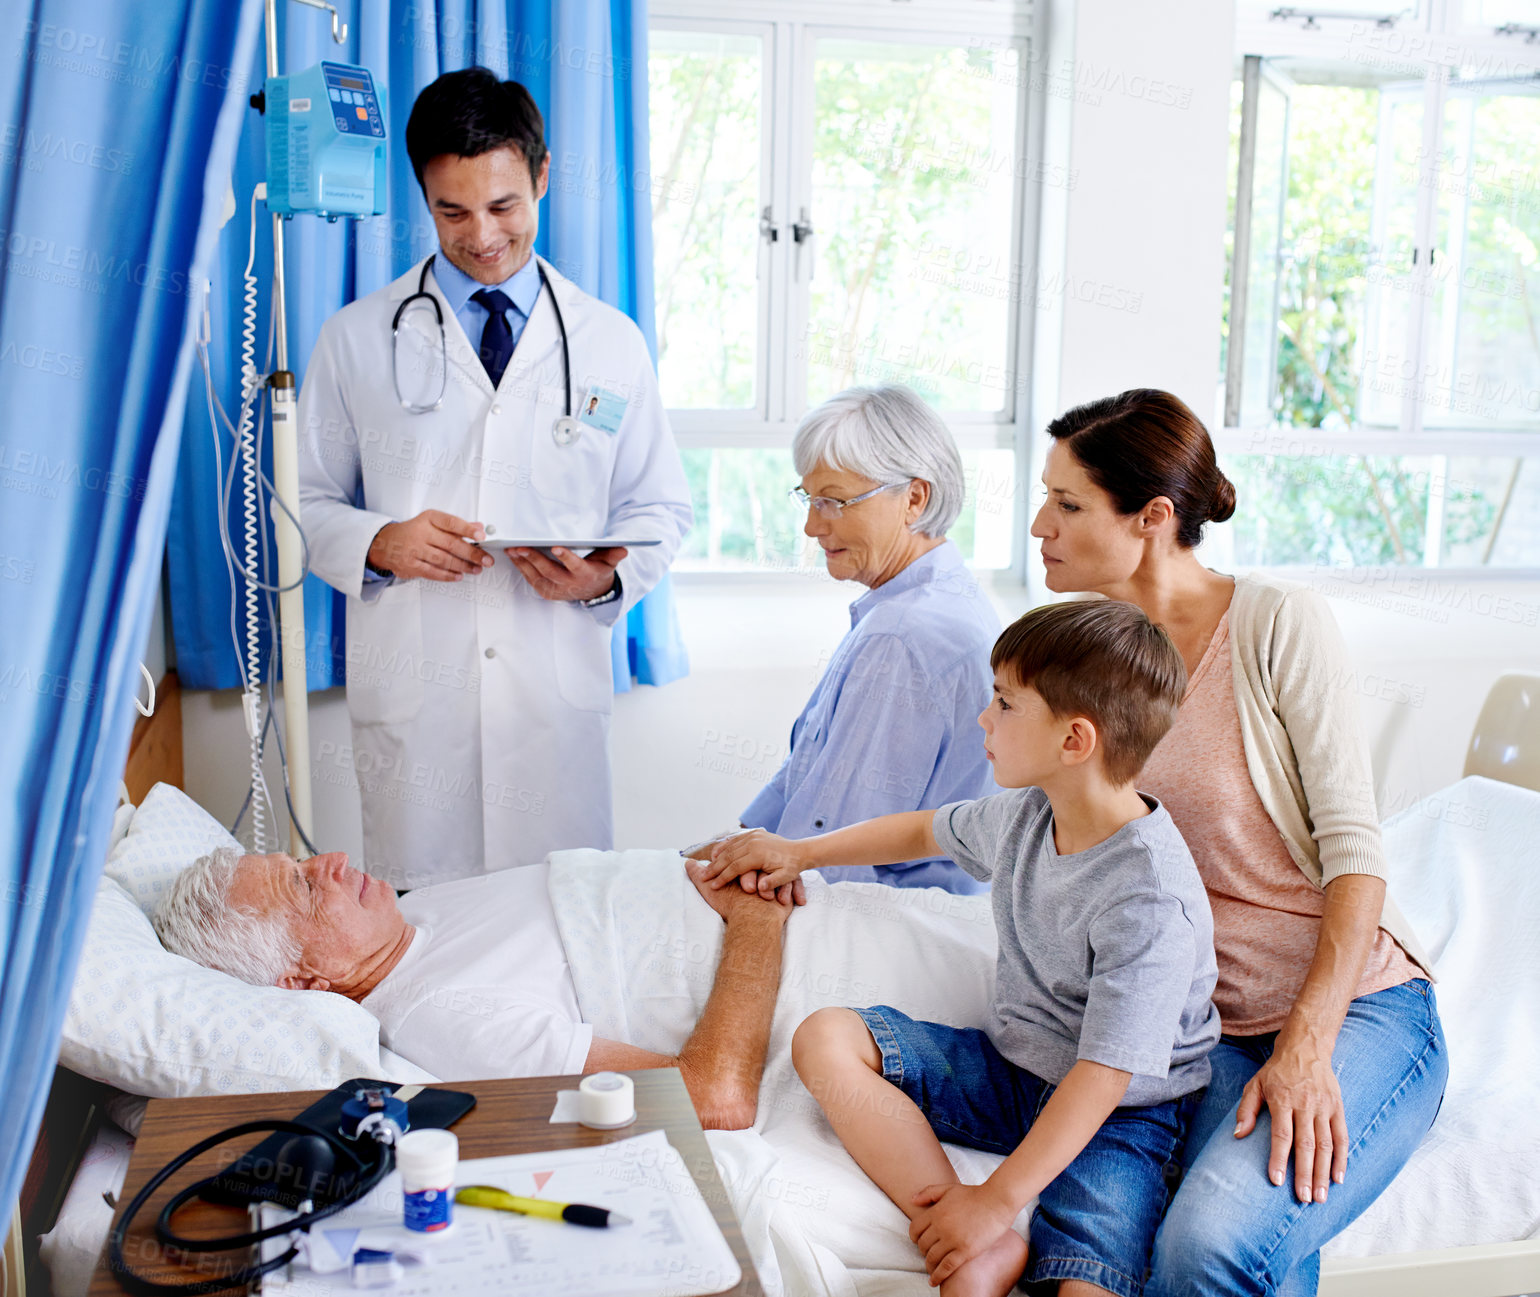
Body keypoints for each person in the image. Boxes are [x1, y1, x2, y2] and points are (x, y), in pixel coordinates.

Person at [1029, 389, 1447, 1297]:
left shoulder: (1272, 622)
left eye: (1067, 504)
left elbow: (1356, 851)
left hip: (1354, 1007)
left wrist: (1307, 1049)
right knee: (1155, 1249)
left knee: (1207, 1249)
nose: (1039, 525)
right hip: (1204, 1029)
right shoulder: (1089, 658)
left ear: (1153, 517)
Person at [706, 600, 1220, 1297]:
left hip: (1120, 1112)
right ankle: (966, 1231)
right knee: (827, 1037)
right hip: (1015, 1070)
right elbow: (923, 832)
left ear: (1075, 740)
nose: (984, 717)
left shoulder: (1150, 898)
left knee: (1088, 1284)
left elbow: (1104, 1077)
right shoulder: (1030, 812)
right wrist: (801, 852)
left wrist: (1002, 1194)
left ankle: (985, 1228)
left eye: (1005, 703)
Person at [297, 67, 692, 887]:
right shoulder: (356, 338)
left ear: (542, 176)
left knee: (559, 943)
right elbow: (302, 504)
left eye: (504, 205)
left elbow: (660, 507)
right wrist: (381, 542)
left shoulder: (610, 342)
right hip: (420, 713)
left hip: (551, 713)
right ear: (423, 196)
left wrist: (597, 581)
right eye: (452, 210)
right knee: (422, 958)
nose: (481, 234)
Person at [151, 845, 790, 1131]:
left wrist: (715, 860)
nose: (334, 860)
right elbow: (713, 1098)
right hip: (800, 964)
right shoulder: (440, 1016)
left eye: (299, 861)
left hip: (779, 897)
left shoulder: (415, 911)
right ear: (305, 981)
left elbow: (610, 888)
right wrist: (758, 921)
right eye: (306, 885)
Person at [697, 385, 1001, 895]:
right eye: (810, 499)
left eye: (834, 501)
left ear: (914, 498)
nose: (813, 526)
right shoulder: (938, 599)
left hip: (872, 923)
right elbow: (808, 790)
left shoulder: (903, 636)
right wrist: (731, 847)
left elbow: (826, 852)